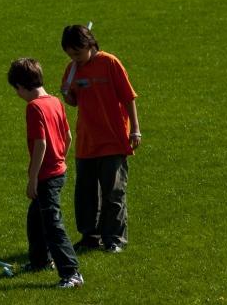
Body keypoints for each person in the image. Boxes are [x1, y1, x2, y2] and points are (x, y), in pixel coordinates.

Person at [59, 25, 141, 253]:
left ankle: (115, 239)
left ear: (90, 45)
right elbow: (74, 101)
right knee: (85, 194)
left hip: (113, 139)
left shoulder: (110, 63)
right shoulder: (72, 69)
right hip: (87, 140)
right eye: (70, 55)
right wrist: (67, 94)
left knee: (113, 191)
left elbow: (128, 96)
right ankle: (90, 236)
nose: (74, 58)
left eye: (77, 53)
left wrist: (135, 129)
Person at [7, 57, 83, 288]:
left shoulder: (34, 107)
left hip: (46, 176)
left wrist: (33, 179)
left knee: (52, 224)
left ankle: (71, 273)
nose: (18, 95)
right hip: (59, 170)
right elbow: (68, 137)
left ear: (21, 86)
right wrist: (61, 159)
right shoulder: (55, 102)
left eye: (17, 90)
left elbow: (40, 145)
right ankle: (40, 260)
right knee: (35, 219)